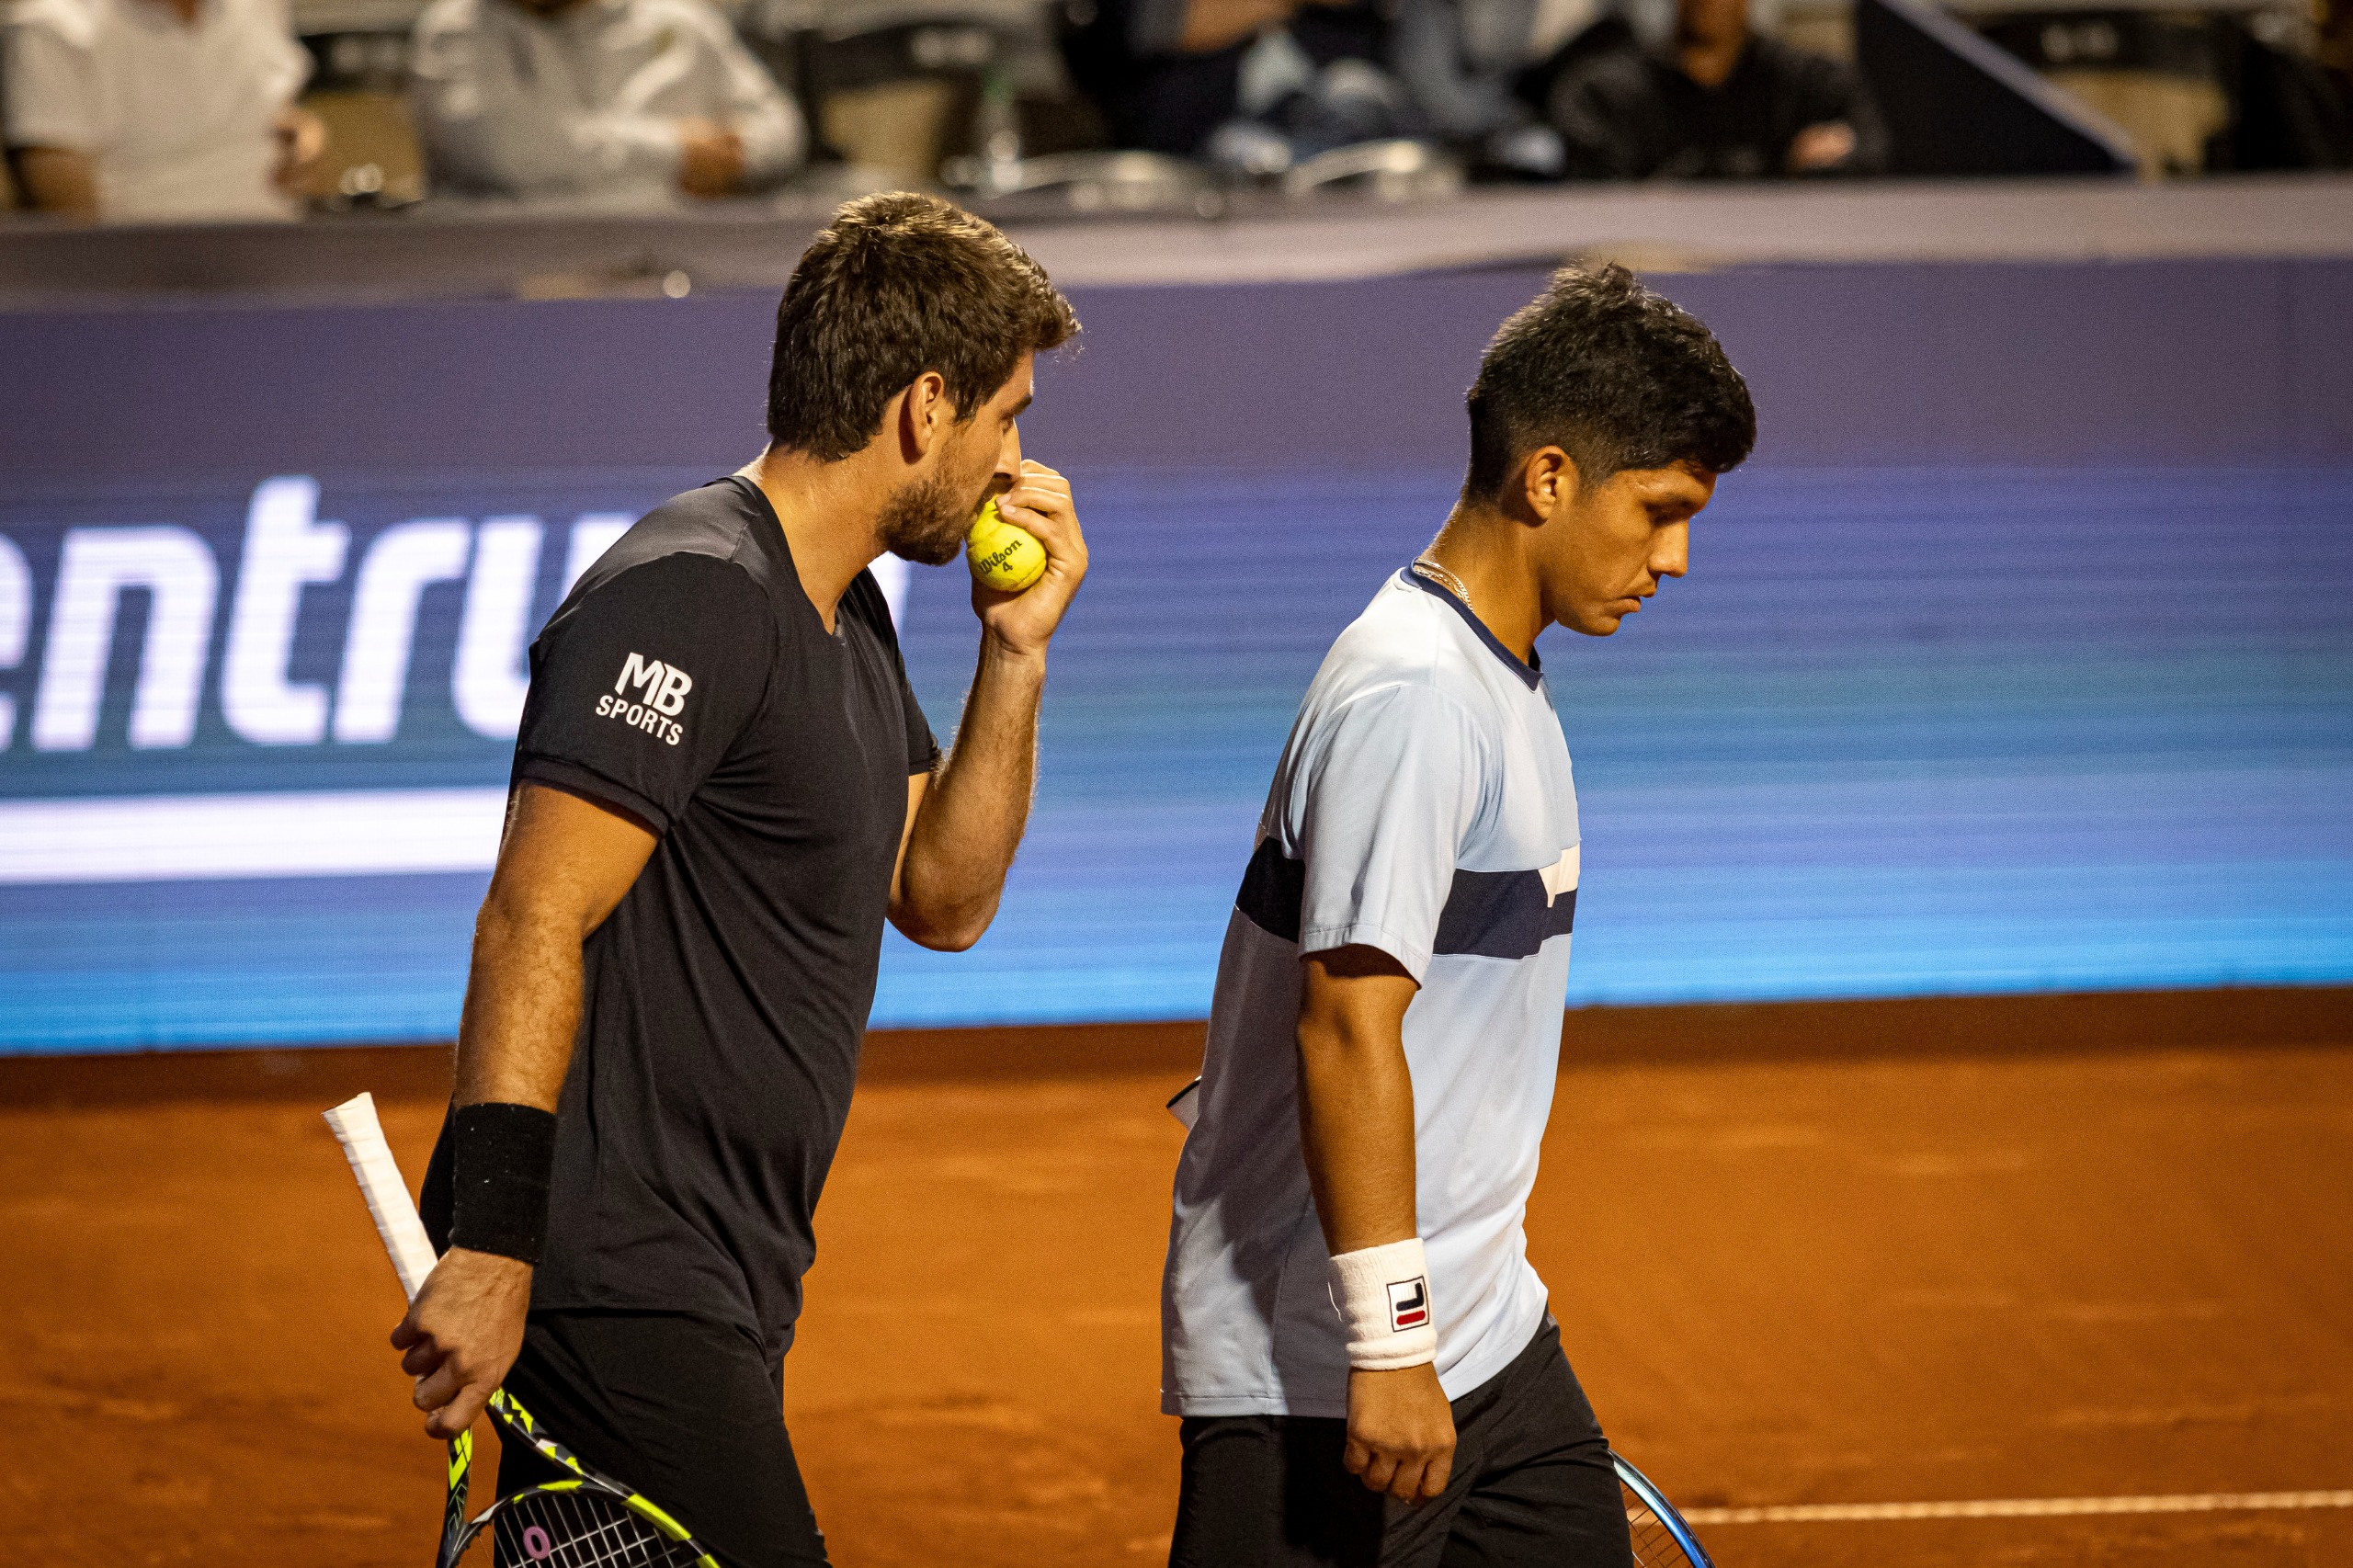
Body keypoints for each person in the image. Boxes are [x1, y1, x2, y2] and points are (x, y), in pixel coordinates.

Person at [391, 192, 1083, 1568]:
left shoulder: (851, 612)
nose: (1018, 456)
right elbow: (536, 911)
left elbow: (942, 898)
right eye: (1006, 412)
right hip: (606, 1272)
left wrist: (1016, 653)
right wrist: (492, 1243)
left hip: (728, 1271)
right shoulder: (689, 592)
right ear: (924, 405)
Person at [1159, 265, 1754, 1568]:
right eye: (1658, 511)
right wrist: (1390, 1344)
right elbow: (1344, 1030)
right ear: (1548, 480)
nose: (1676, 557)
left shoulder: (1498, 673)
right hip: (1326, 1367)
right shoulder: (1415, 696)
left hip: (1494, 1338)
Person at [408, 0, 805, 207]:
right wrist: (678, 153)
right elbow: (504, 151)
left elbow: (781, 127)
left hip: (677, 276)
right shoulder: (453, 31)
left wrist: (735, 160)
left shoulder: (682, 21)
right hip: (502, 291)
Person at [2, 0, 325, 222]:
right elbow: (70, 229)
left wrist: (303, 134)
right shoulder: (51, 28)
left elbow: (267, 106)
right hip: (143, 291)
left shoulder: (259, 7)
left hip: (282, 262)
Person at [1544, 0, 1885, 177]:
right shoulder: (1603, 93)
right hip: (1647, 282)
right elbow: (1596, 205)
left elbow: (1869, 149)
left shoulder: (1812, 83)